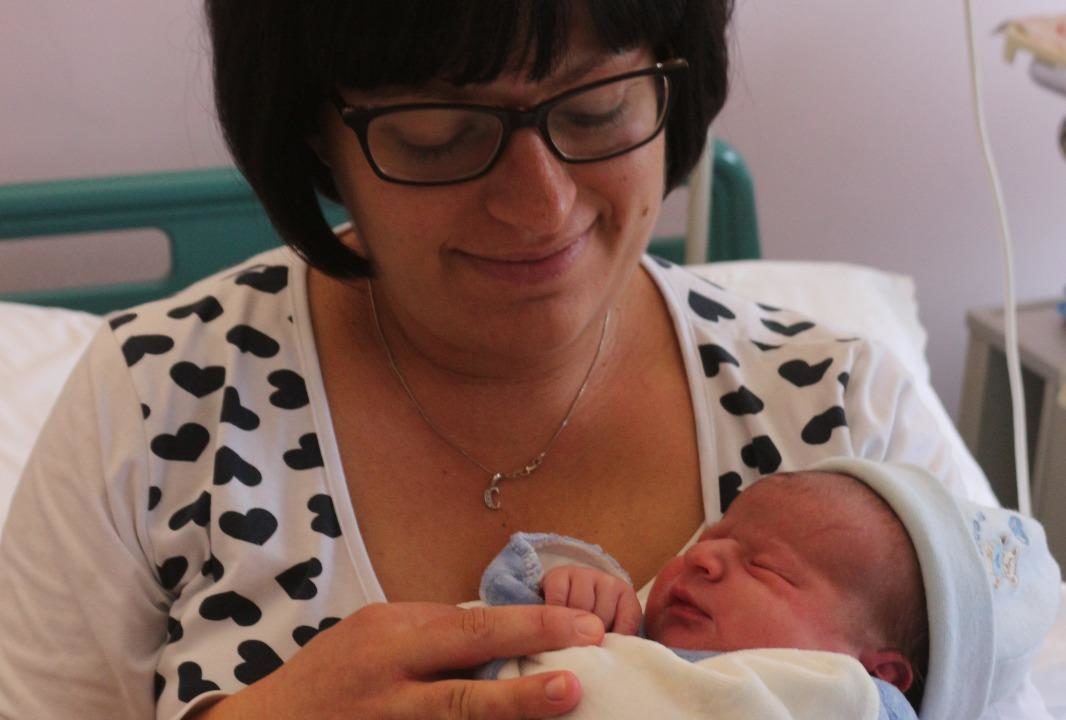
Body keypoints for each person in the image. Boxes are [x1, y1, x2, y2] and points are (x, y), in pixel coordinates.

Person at [0, 1, 1046, 719]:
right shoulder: (154, 406)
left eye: (594, 111)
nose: (539, 204)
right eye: (440, 135)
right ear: (315, 133)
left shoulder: (850, 427)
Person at [478, 460, 1062, 720]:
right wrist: (569, 593)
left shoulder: (847, 705)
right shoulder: (623, 637)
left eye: (766, 568)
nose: (702, 557)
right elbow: (493, 631)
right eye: (716, 535)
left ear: (876, 676)